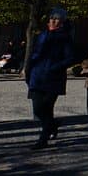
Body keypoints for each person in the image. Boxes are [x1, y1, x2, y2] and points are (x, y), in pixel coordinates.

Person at [24, 8, 75, 148]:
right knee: (38, 109)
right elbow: (34, 53)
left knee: (46, 107)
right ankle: (52, 125)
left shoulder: (65, 38)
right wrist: (29, 69)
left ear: (62, 22)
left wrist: (54, 67)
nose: (52, 21)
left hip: (53, 78)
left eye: (56, 19)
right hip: (37, 77)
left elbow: (70, 58)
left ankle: (43, 139)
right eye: (51, 18)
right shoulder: (42, 35)